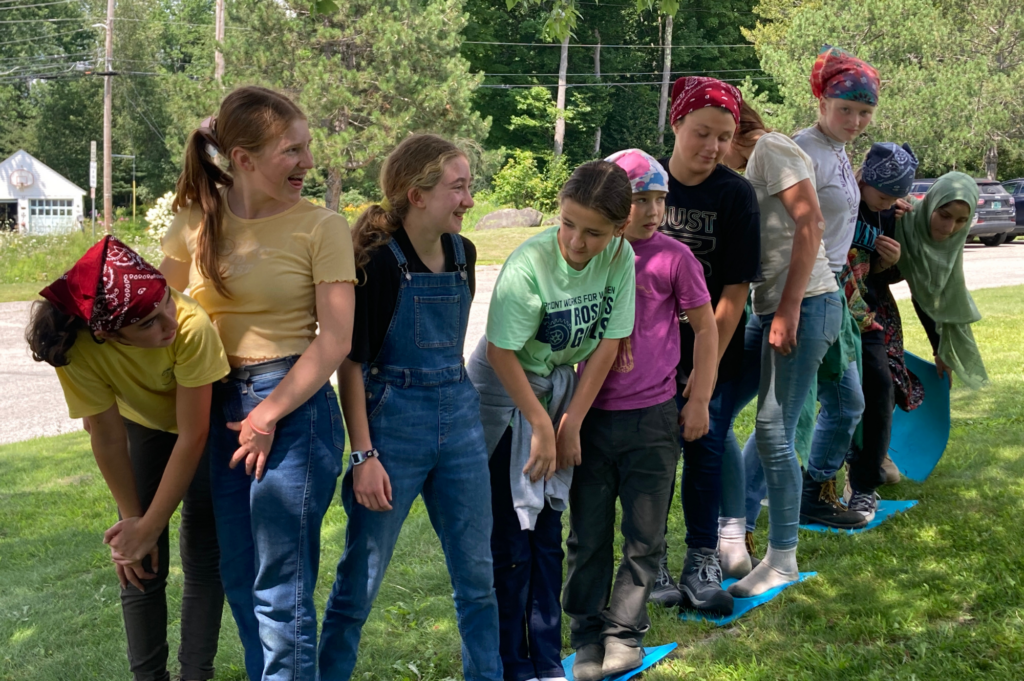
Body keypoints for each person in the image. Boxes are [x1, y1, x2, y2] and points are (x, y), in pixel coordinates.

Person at [159, 86, 356, 680]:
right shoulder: (193, 223)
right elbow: (160, 314)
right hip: (217, 403)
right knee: (241, 578)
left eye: (307, 148)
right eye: (290, 150)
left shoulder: (323, 226)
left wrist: (267, 414)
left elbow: (336, 340)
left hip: (293, 410)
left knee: (281, 587)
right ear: (243, 159)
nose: (307, 163)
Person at [317, 134, 502, 681]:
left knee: (478, 580)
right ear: (416, 194)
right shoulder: (375, 261)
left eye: (469, 186)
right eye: (458, 187)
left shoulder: (464, 253)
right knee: (360, 580)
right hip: (392, 426)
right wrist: (363, 455)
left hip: (460, 419)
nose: (469, 199)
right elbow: (349, 365)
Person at [27, 236, 228, 681]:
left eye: (166, 304)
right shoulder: (75, 347)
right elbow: (107, 435)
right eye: (149, 324)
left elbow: (193, 435)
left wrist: (153, 523)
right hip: (142, 428)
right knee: (137, 560)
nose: (168, 323)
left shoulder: (191, 325)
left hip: (201, 431)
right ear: (107, 334)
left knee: (203, 554)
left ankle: (196, 674)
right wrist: (136, 525)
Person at [467, 160, 636, 681]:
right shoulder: (528, 264)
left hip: (556, 397)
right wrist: (542, 425)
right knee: (511, 540)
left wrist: (570, 424)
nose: (576, 242)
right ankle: (510, 664)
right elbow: (500, 352)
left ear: (619, 229)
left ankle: (545, 660)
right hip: (502, 398)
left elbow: (608, 345)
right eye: (567, 223)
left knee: (546, 531)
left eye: (594, 232)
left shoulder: (621, 256)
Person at [559, 150, 716, 680]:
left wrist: (698, 397)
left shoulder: (675, 258)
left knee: (645, 536)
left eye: (658, 199)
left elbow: (706, 327)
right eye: (639, 200)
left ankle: (624, 631)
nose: (651, 211)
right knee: (588, 534)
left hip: (653, 418)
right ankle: (585, 633)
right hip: (591, 418)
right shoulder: (590, 255)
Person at [718, 102, 842, 597]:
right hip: (767, 308)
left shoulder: (770, 147)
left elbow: (811, 225)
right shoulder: (738, 171)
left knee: (773, 429)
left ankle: (782, 559)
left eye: (719, 133)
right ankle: (730, 534)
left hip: (807, 305)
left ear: (736, 127)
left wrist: (787, 309)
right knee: (714, 407)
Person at [649, 76, 762, 609]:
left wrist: (705, 368)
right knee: (652, 458)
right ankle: (649, 566)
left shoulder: (736, 194)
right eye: (701, 132)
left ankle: (701, 559)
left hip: (710, 351)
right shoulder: (644, 183)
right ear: (676, 124)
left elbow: (735, 291)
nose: (712, 147)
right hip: (644, 358)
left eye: (723, 136)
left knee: (706, 450)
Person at [846, 171, 989, 516]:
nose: (949, 227)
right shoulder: (900, 216)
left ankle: (876, 452)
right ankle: (858, 474)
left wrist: (941, 348)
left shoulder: (945, 244)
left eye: (960, 220)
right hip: (853, 300)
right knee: (862, 386)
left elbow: (929, 294)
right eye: (944, 214)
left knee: (894, 383)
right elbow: (856, 233)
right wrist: (883, 260)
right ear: (932, 206)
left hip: (881, 303)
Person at [787, 45, 880, 529]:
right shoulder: (803, 152)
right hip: (806, 295)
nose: (856, 119)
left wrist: (874, 232)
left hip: (836, 292)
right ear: (822, 103)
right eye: (846, 109)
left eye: (865, 111)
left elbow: (837, 219)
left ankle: (813, 494)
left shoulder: (839, 151)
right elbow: (788, 229)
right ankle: (740, 519)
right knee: (791, 414)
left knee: (845, 404)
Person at [839, 142, 918, 519]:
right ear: (865, 181)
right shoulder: (841, 198)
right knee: (831, 398)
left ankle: (864, 485)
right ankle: (811, 478)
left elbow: (887, 276)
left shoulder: (890, 214)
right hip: (827, 304)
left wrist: (894, 261)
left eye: (895, 198)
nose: (888, 204)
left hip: (864, 312)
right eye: (884, 195)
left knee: (880, 389)